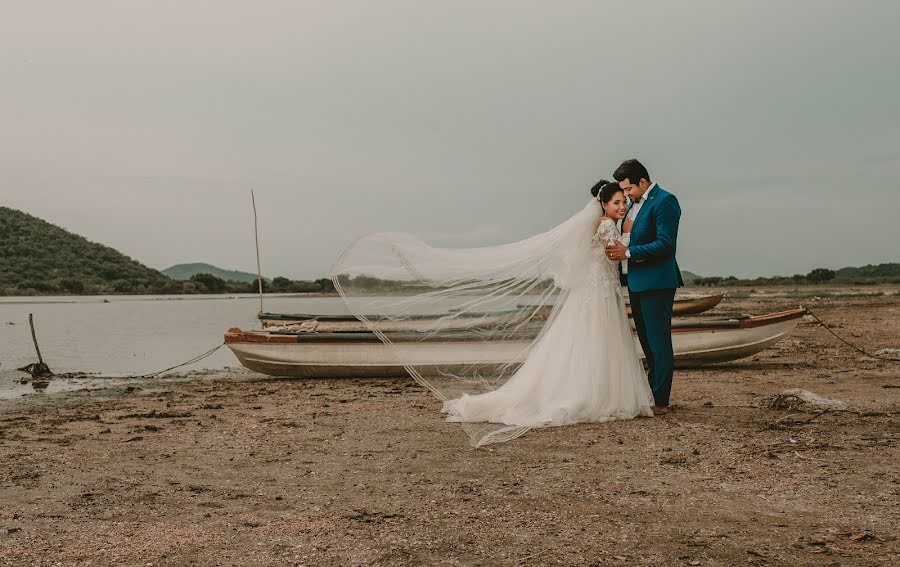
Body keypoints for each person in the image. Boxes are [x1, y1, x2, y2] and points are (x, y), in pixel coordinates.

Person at [605, 159, 683, 414]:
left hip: (657, 282)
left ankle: (661, 402)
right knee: (648, 343)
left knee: (659, 342)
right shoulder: (633, 206)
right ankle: (651, 395)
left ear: (642, 181)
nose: (626, 196)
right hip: (636, 283)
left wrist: (628, 253)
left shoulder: (665, 201)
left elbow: (665, 244)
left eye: (628, 190)